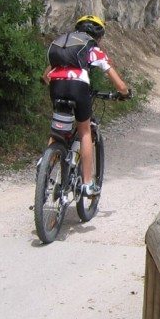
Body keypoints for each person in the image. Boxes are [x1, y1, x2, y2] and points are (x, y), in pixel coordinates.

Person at [42, 15, 131, 198]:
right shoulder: (92, 47)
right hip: (78, 87)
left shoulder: (66, 44)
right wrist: (124, 93)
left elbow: (46, 76)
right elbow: (116, 81)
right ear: (98, 35)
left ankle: (44, 169)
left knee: (57, 132)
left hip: (56, 86)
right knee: (84, 131)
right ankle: (87, 184)